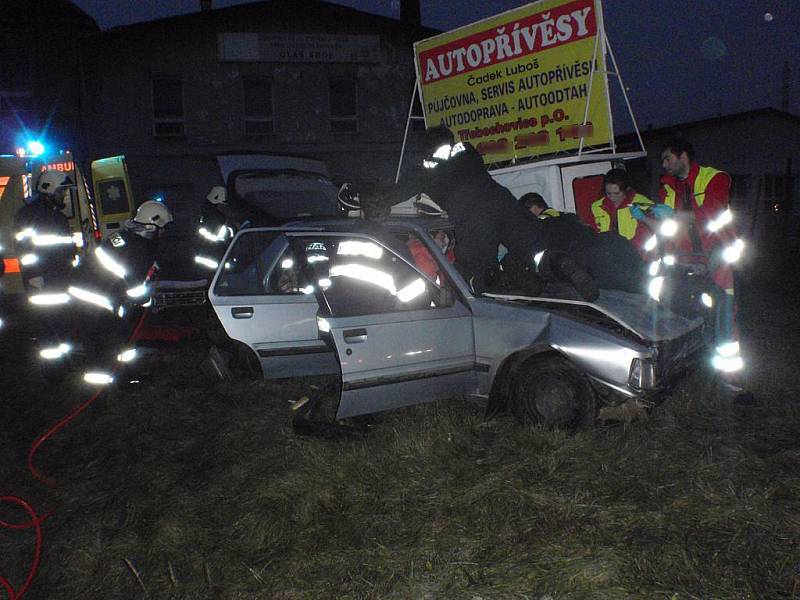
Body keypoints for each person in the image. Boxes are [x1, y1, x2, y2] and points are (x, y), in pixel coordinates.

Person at [387, 126, 599, 301]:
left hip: (472, 213)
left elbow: (399, 191)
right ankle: (561, 263)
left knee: (475, 274)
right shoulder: (467, 151)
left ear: (427, 148)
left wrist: (373, 202)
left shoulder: (428, 168)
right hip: (504, 202)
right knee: (537, 253)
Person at [654, 137, 744, 379]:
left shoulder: (715, 178)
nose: (664, 164)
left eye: (667, 158)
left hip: (717, 255)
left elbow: (709, 216)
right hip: (683, 257)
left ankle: (731, 377)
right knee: (679, 309)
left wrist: (674, 215)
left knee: (724, 312)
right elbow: (668, 225)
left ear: (683, 156)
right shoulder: (668, 187)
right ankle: (690, 364)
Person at [68, 200, 173, 384]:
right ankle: (99, 392)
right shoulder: (139, 248)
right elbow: (134, 289)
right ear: (151, 225)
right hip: (96, 302)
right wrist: (148, 301)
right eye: (162, 228)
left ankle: (121, 375)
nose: (164, 233)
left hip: (86, 296)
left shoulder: (124, 237)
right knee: (106, 344)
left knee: (112, 340)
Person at [517, 193, 647, 295]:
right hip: (608, 246)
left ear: (533, 209)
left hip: (584, 262)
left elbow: (537, 255)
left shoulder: (540, 225)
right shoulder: (570, 217)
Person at [14, 169, 81, 365]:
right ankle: (53, 371)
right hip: (43, 283)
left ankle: (64, 364)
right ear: (49, 190)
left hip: (60, 280)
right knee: (47, 327)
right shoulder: (29, 214)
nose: (64, 195)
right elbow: (24, 248)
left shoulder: (56, 216)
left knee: (62, 325)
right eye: (62, 191)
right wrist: (34, 275)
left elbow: (63, 247)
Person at [590, 169, 655, 255]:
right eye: (609, 193)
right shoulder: (596, 207)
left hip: (637, 255)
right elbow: (592, 234)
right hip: (607, 256)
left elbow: (650, 233)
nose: (612, 197)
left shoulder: (641, 203)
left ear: (627, 189)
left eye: (617, 193)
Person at [195, 185, 235, 272]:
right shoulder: (216, 220)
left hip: (209, 265)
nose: (226, 208)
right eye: (223, 205)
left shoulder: (207, 218)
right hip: (213, 265)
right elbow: (221, 242)